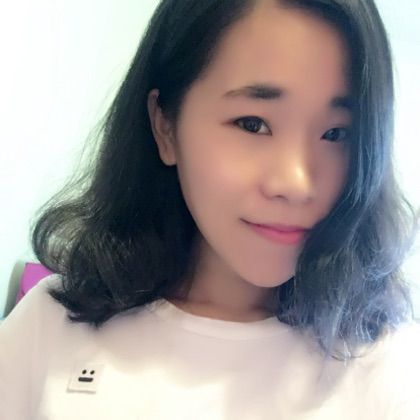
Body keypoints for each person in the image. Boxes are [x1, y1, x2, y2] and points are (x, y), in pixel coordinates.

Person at [1, 0, 419, 418]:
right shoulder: (50, 327)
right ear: (165, 127)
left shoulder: (390, 370)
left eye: (336, 134)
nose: (296, 183)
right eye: (253, 124)